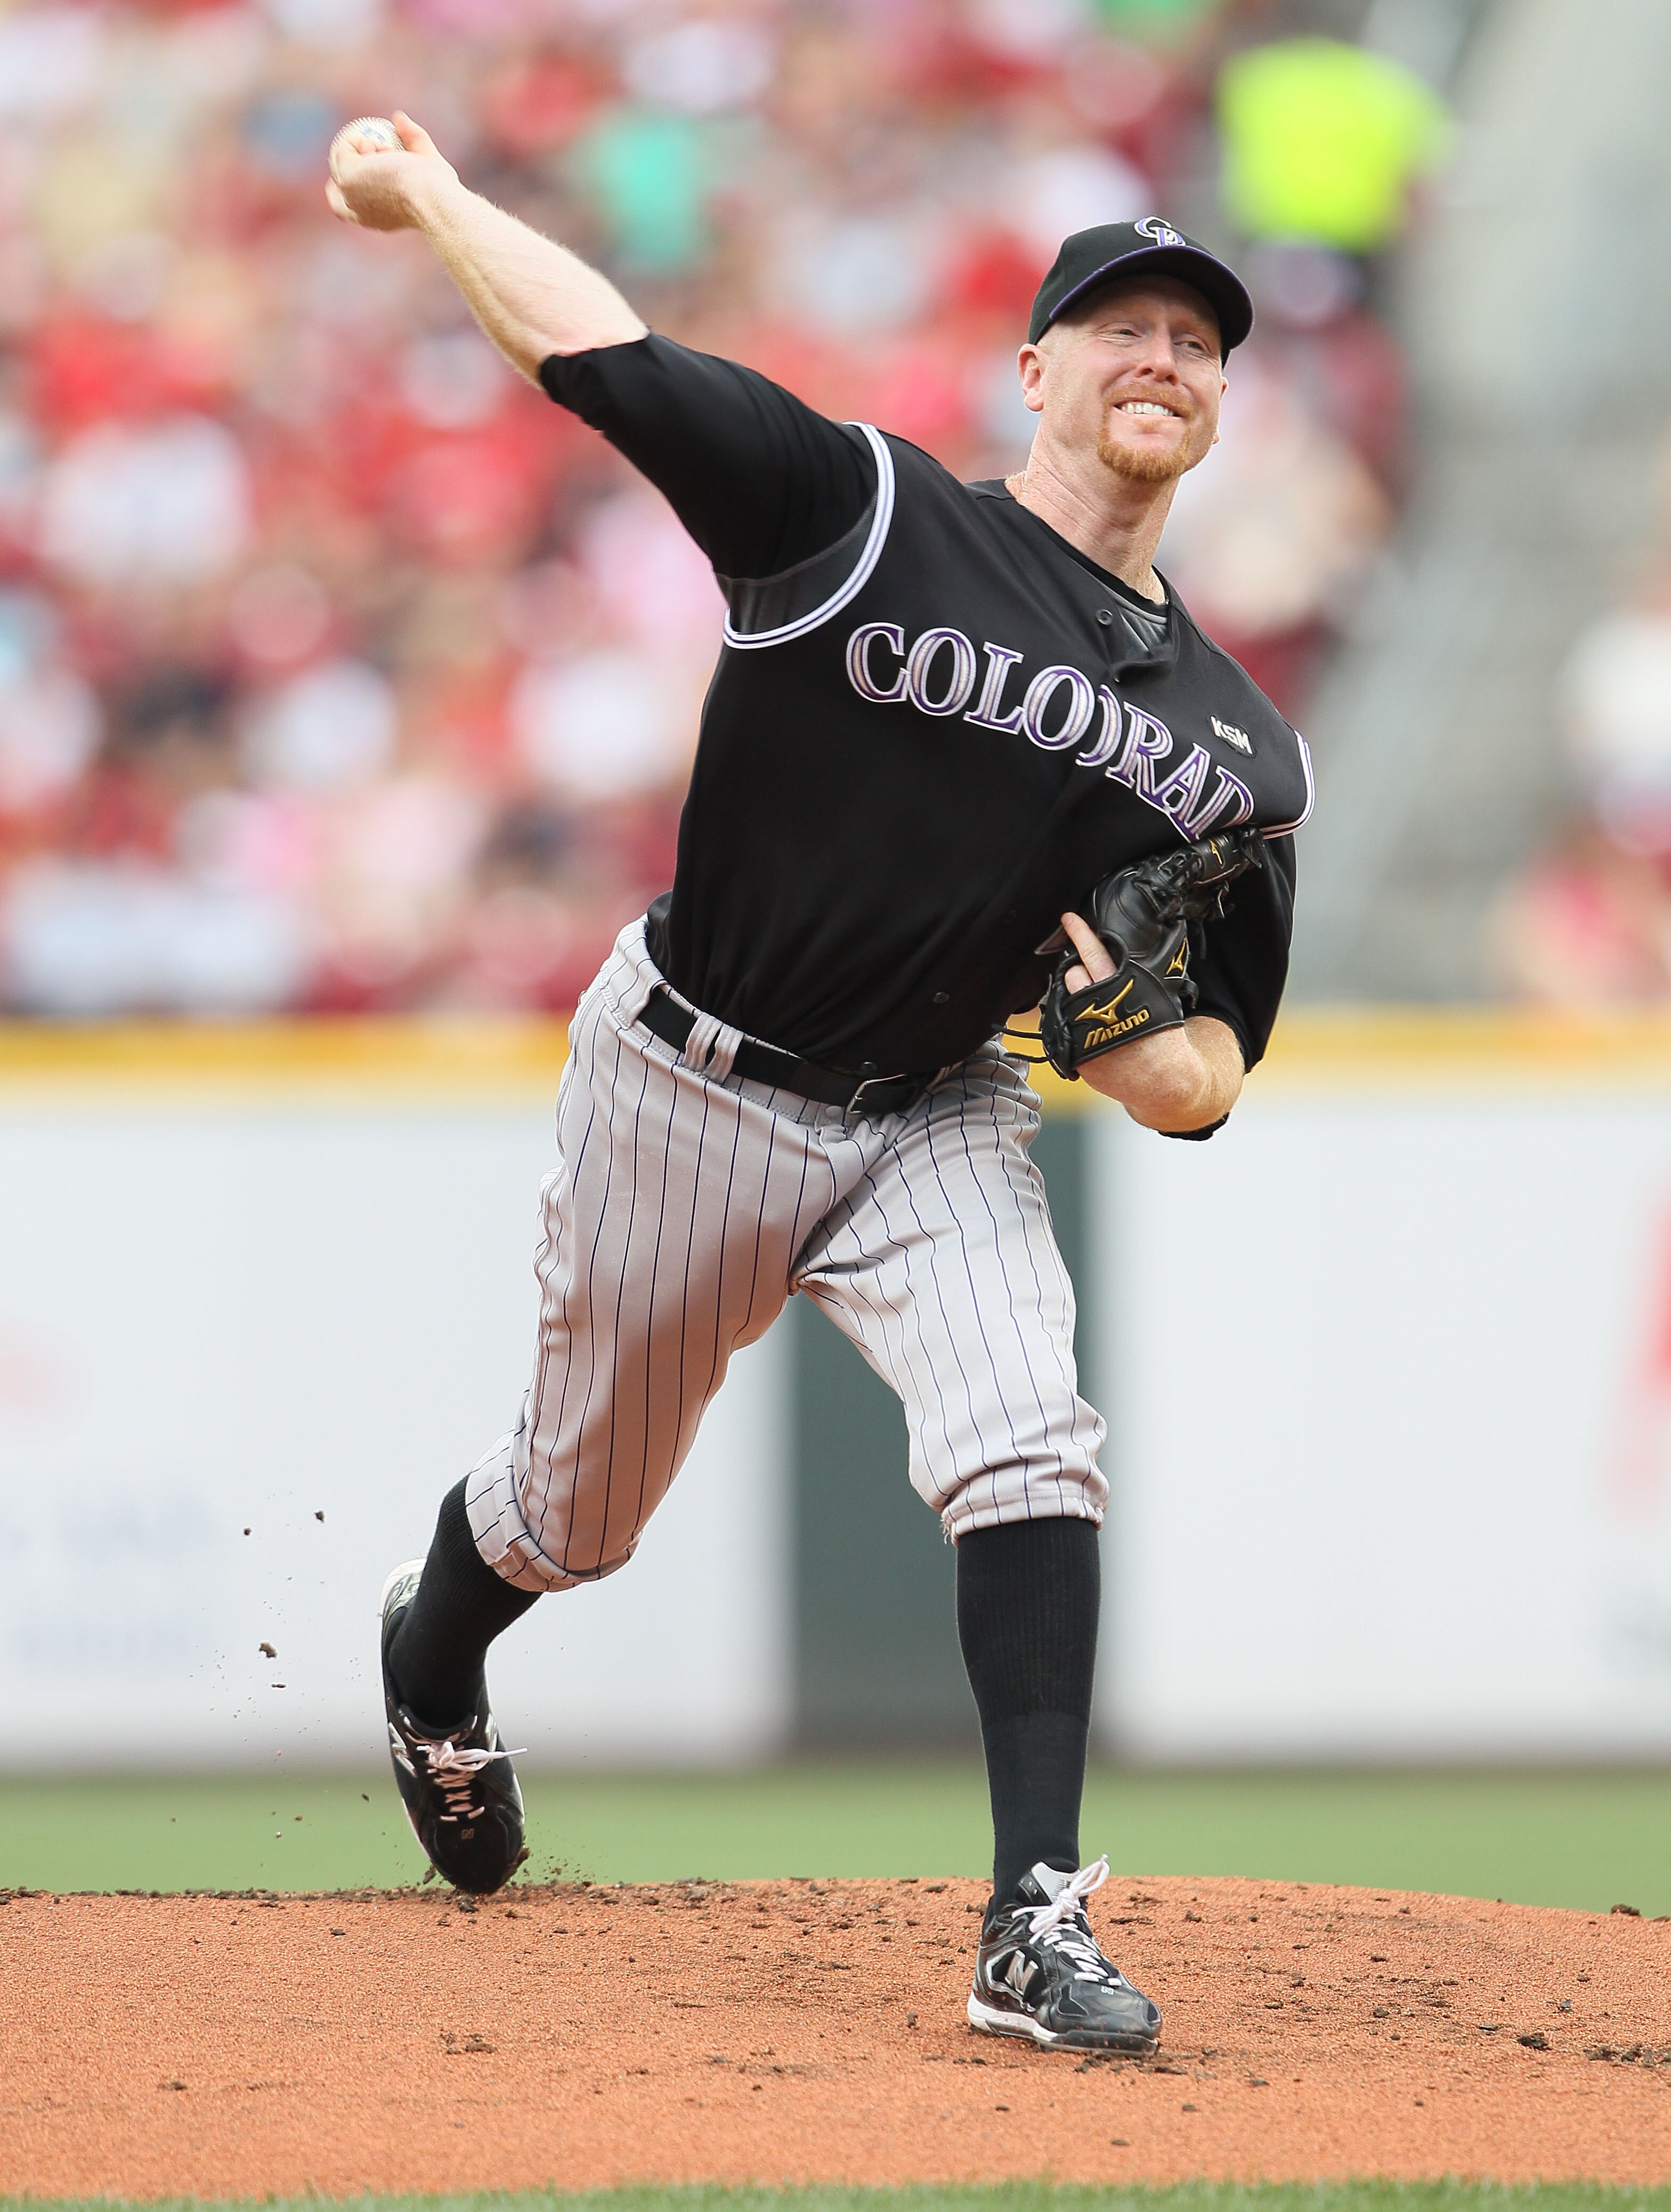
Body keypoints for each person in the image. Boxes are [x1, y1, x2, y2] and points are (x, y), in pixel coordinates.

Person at [329, 117, 1311, 2055]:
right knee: (570, 1511)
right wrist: (439, 200)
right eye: (1120, 325)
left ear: (1221, 401)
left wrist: (1141, 1061)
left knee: (1031, 1430)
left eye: (1199, 342)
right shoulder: (864, 513)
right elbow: (606, 356)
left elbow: (1210, 1082)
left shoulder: (1240, 749)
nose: (1162, 362)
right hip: (693, 1081)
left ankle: (1033, 1916)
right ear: (1032, 367)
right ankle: (434, 1652)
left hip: (936, 1107)